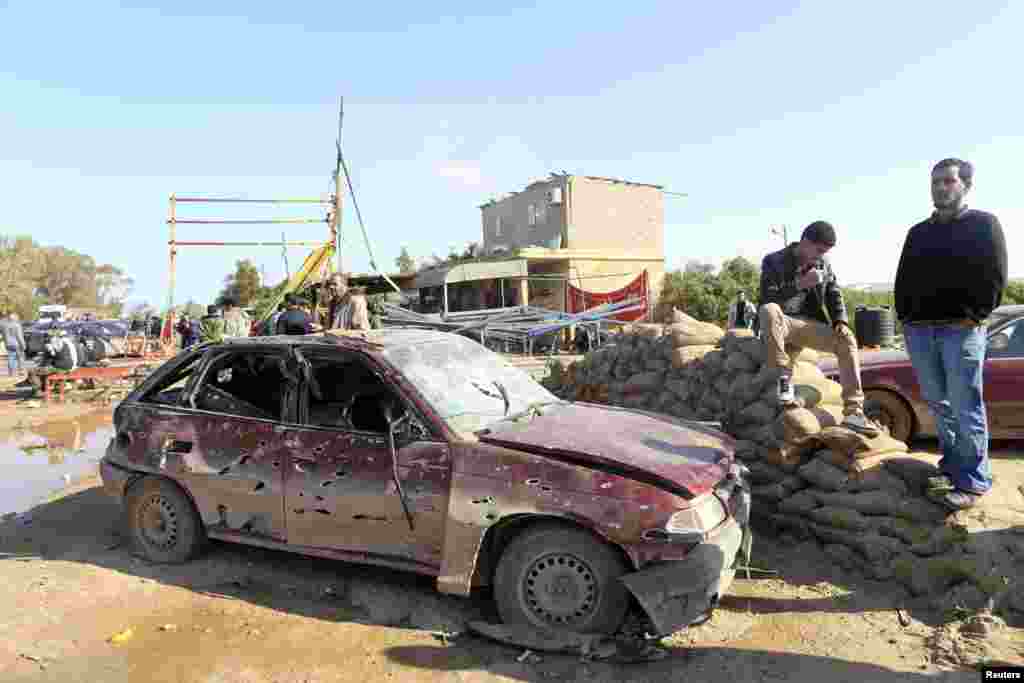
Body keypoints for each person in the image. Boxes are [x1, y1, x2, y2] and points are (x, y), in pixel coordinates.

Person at [894, 158, 1007, 511]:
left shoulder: (983, 225)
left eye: (948, 181)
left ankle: (974, 482)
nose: (941, 187)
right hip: (920, 332)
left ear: (966, 186)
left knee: (964, 405)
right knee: (940, 407)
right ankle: (952, 467)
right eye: (936, 182)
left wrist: (974, 317)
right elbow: (904, 277)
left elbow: (996, 274)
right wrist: (906, 318)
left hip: (961, 330)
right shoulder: (919, 232)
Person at [756, 221, 880, 436]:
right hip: (782, 322)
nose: (821, 255)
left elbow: (833, 293)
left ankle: (854, 412)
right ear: (804, 242)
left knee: (847, 338)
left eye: (825, 252)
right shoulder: (773, 261)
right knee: (768, 310)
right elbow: (767, 298)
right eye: (819, 250)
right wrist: (800, 284)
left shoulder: (824, 263)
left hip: (809, 324)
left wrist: (840, 320)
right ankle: (783, 383)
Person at [0, 313, 27, 377]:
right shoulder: (17, 325)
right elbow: (19, 336)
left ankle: (11, 372)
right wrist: (23, 345)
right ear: (15, 319)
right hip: (16, 344)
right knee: (20, 357)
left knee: (11, 357)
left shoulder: (5, 326)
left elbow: (3, 335)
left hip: (8, 344)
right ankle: (21, 371)